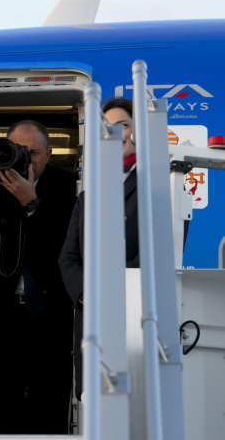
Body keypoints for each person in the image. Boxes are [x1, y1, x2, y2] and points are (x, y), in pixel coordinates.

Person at [0, 119, 77, 434]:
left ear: (50, 154)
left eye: (32, 152)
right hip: (3, 316)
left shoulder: (70, 185)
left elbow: (64, 248)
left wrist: (31, 202)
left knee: (49, 403)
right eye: (18, 150)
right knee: (1, 404)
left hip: (51, 316)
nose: (25, 159)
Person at [59, 97, 139, 401]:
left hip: (133, 320)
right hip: (90, 321)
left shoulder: (159, 186)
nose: (117, 133)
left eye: (125, 125)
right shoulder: (87, 196)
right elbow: (68, 258)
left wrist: (110, 291)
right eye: (108, 128)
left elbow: (159, 255)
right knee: (94, 409)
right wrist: (87, 295)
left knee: (133, 411)